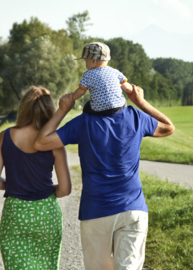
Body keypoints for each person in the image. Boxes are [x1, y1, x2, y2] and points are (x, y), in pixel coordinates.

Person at [34, 84, 175, 270]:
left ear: (92, 97)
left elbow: (41, 142)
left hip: (95, 213)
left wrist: (62, 109)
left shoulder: (83, 123)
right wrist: (141, 102)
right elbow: (168, 127)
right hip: (133, 210)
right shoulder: (135, 117)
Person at [0, 86, 72, 270]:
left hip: (15, 214)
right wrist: (45, 190)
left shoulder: (5, 137)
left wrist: (18, 185)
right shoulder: (54, 143)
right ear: (49, 110)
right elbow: (65, 189)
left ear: (23, 108)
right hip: (46, 214)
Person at [72, 42, 133, 114]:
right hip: (119, 107)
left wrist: (72, 97)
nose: (86, 64)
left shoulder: (88, 74)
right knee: (123, 100)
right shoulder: (115, 72)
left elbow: (81, 91)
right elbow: (127, 88)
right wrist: (134, 90)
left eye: (86, 62)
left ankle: (87, 120)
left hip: (99, 109)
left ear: (94, 61)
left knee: (87, 106)